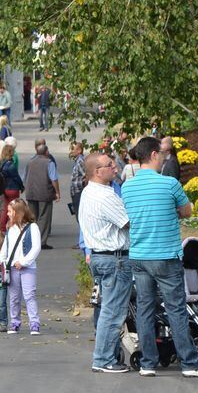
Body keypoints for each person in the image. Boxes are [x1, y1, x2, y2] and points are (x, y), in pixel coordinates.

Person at [122, 136, 198, 377]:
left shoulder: (127, 186)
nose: (165, 158)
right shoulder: (170, 184)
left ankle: (147, 362)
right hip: (165, 254)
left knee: (144, 309)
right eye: (163, 154)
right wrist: (170, 209)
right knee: (176, 308)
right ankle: (190, 363)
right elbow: (187, 211)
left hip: (139, 255)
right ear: (154, 155)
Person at [78, 153, 132, 373]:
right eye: (110, 165)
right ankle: (103, 359)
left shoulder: (88, 192)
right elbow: (128, 221)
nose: (116, 168)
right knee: (113, 311)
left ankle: (107, 355)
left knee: (106, 309)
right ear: (97, 172)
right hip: (114, 258)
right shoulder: (105, 197)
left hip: (100, 256)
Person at [0, 199, 42, 334]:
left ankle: (34, 323)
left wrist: (23, 261)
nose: (8, 214)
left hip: (27, 267)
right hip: (12, 267)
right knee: (14, 297)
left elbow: (36, 248)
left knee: (30, 295)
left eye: (10, 211)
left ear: (18, 212)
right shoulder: (11, 228)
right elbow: (6, 247)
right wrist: (1, 259)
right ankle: (15, 322)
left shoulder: (32, 227)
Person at [24, 141, 60, 248]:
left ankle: (30, 240)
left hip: (31, 192)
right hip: (44, 192)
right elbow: (54, 179)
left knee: (32, 217)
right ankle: (41, 241)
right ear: (46, 152)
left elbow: (25, 177)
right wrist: (57, 192)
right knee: (44, 216)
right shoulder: (49, 163)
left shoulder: (30, 162)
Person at [0, 142, 24, 232]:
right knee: (15, 209)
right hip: (13, 189)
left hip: (5, 189)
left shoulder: (3, 164)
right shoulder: (11, 165)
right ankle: (13, 226)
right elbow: (16, 177)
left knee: (6, 208)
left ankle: (2, 227)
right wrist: (22, 186)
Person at [69, 141, 86, 218]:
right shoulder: (77, 160)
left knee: (80, 216)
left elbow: (86, 176)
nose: (71, 151)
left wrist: (81, 184)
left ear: (79, 150)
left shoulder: (80, 161)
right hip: (75, 193)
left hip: (79, 193)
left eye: (73, 149)